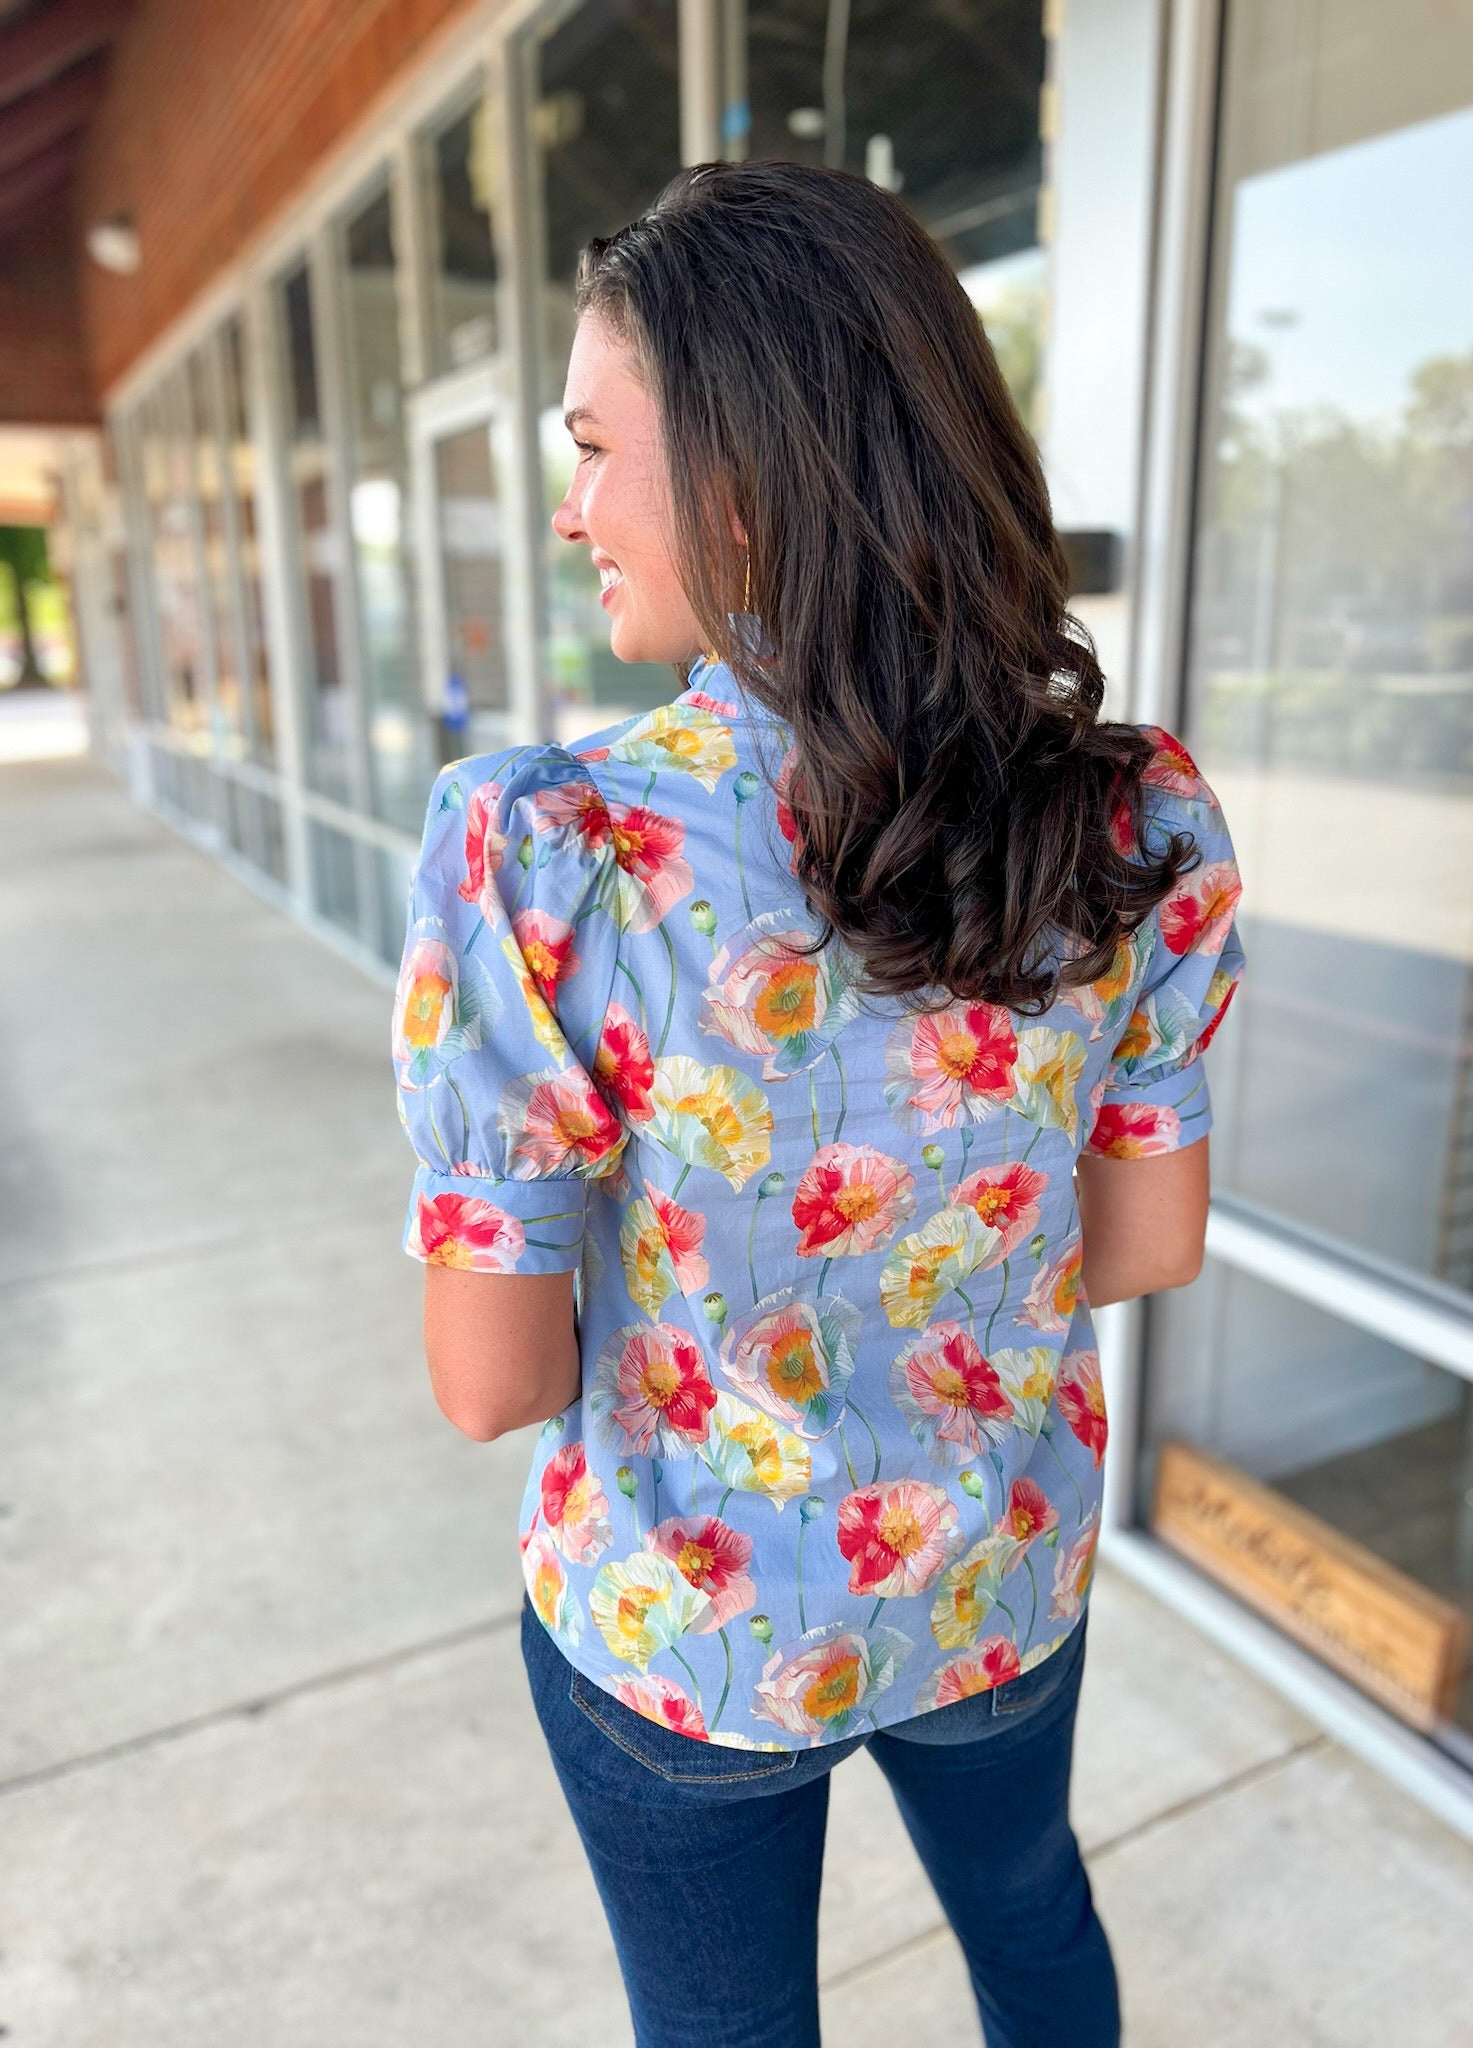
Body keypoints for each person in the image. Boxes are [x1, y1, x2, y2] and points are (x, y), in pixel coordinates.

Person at [390, 159, 1244, 2048]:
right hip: (998, 1573)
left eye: (595, 450)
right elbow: (1148, 1245)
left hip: (683, 1638)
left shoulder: (550, 854)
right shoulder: (1135, 814)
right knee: (1033, 1923)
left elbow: (492, 1383)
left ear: (745, 482)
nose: (570, 508)